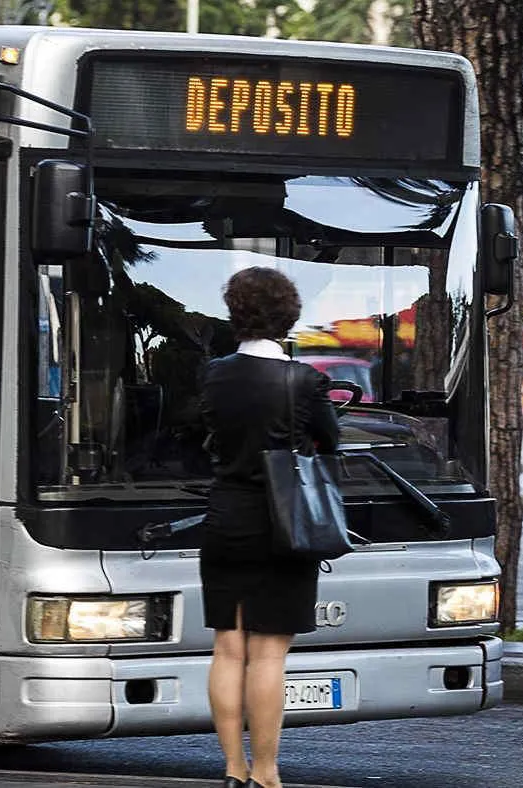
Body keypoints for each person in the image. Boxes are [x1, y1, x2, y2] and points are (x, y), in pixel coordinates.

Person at [197, 267, 339, 788]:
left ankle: (233, 767)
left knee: (228, 647)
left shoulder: (214, 373)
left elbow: (207, 434)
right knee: (269, 653)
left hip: (225, 517)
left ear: (235, 314)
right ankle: (267, 771)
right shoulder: (305, 381)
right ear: (288, 315)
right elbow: (331, 441)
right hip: (284, 525)